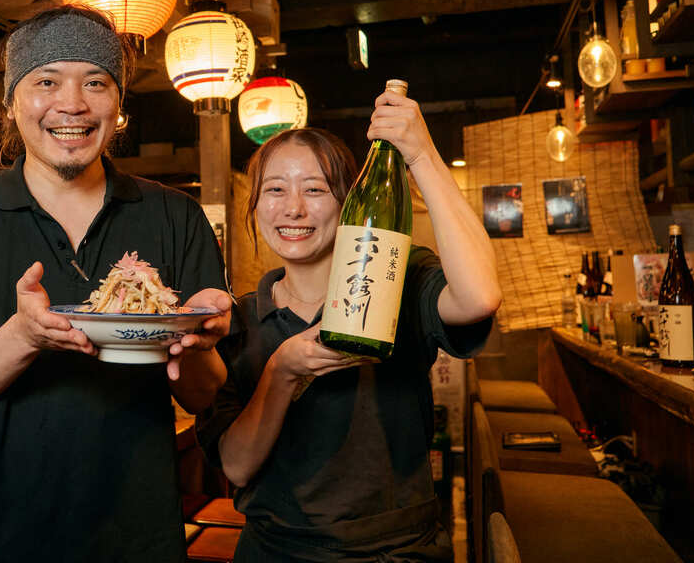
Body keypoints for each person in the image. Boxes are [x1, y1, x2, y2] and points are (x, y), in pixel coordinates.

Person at [0, 5, 232, 563]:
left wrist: (194, 340)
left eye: (96, 83)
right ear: (11, 103)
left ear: (119, 106)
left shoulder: (174, 216)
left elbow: (202, 394)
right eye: (46, 81)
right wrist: (23, 338)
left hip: (137, 535)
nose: (72, 104)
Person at [196, 97, 501, 562]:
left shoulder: (397, 279)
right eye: (275, 190)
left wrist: (420, 155)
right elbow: (237, 466)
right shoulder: (234, 321)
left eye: (315, 190)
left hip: (397, 551)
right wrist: (282, 372)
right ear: (256, 205)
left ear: (349, 202)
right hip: (277, 552)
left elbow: (479, 297)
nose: (293, 209)